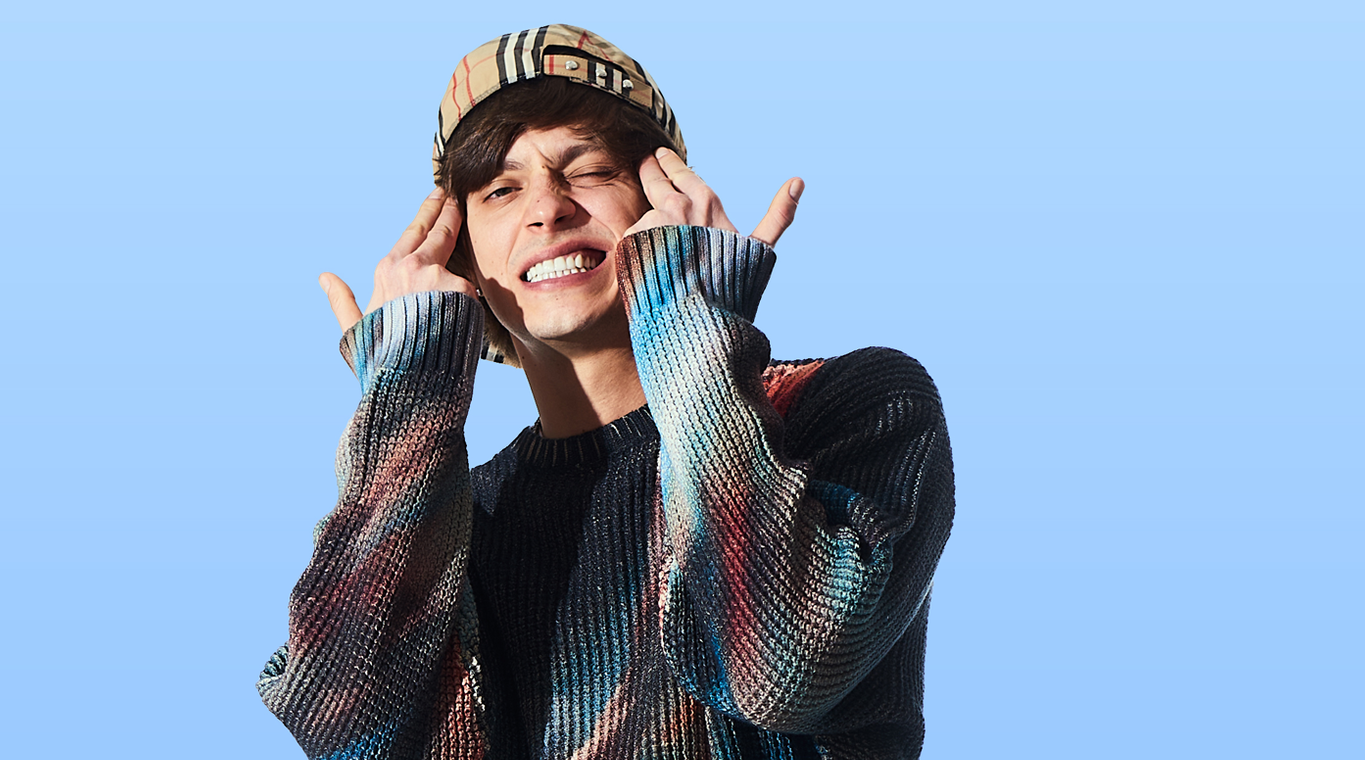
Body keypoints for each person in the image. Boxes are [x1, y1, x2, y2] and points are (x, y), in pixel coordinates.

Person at [258, 24, 955, 759]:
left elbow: (782, 666)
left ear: (665, 203)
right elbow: (345, 731)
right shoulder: (461, 518)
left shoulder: (853, 406)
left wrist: (684, 308)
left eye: (589, 170)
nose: (547, 208)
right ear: (462, 260)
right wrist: (404, 400)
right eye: (501, 189)